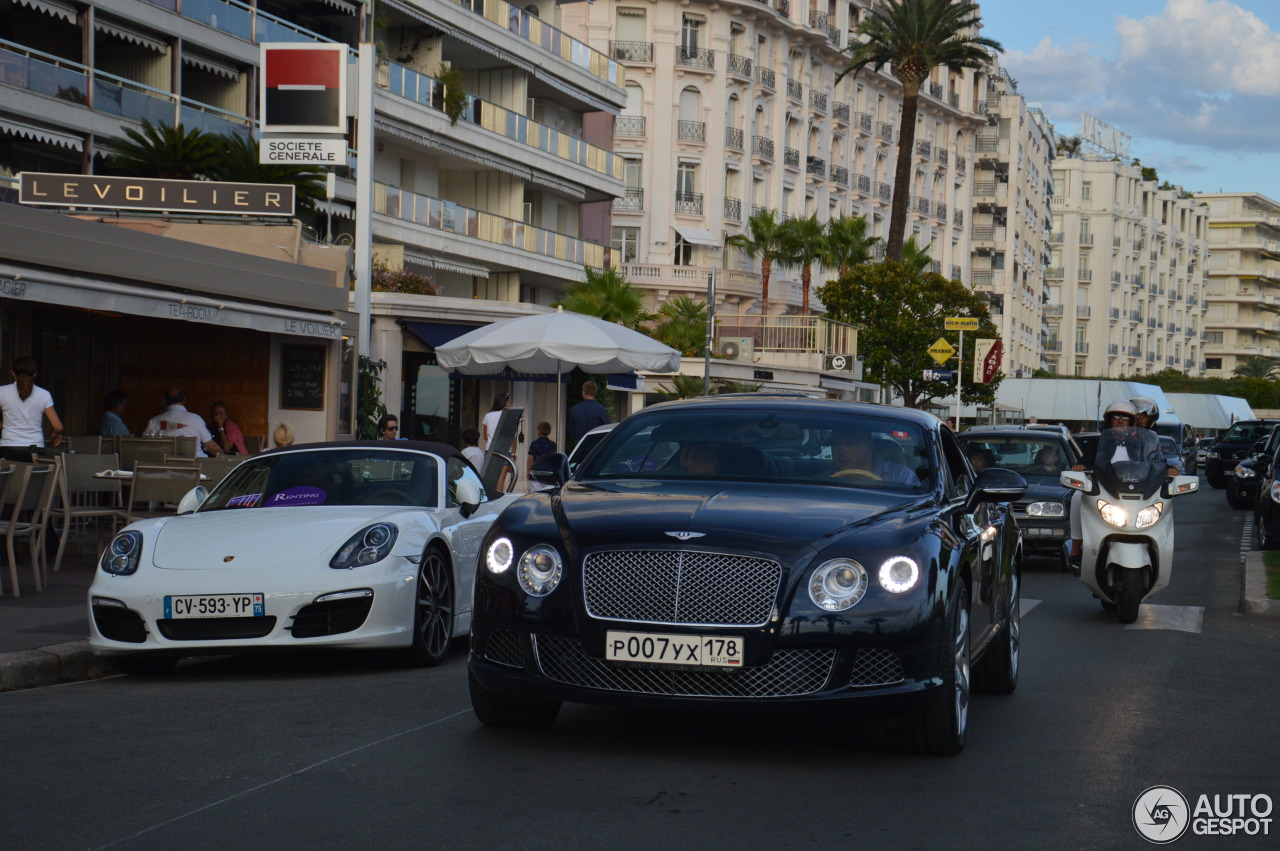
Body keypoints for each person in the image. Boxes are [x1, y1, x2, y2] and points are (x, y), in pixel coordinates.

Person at [1068, 400, 1139, 563]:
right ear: (1108, 421)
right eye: (1116, 416)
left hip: (1135, 491)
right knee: (1078, 496)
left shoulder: (1140, 445)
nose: (1120, 421)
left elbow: (1154, 461)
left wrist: (1170, 468)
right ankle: (1076, 546)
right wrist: (1081, 466)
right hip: (1103, 490)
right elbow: (1085, 461)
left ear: (1132, 422)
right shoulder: (1097, 443)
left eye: (1125, 418)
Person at [0, 356, 63, 461]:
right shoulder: (44, 394)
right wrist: (57, 435)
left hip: (8, 447)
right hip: (35, 449)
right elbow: (58, 427)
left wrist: (4, 423)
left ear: (12, 373)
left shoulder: (2, 392)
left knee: (8, 477)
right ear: (35, 374)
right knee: (34, 477)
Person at [144, 388, 221, 457]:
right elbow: (212, 447)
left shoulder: (154, 421)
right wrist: (226, 460)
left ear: (165, 400)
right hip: (195, 466)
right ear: (184, 400)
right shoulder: (196, 419)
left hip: (163, 467)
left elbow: (144, 446)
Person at [830, 429, 920, 486]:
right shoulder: (822, 479)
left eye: (849, 444)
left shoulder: (902, 477)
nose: (840, 451)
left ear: (869, 446)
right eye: (835, 444)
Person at [568, 381, 610, 447]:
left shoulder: (575, 409)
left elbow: (571, 431)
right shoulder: (601, 409)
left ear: (583, 392)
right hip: (595, 448)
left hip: (579, 447)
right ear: (595, 392)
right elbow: (607, 429)